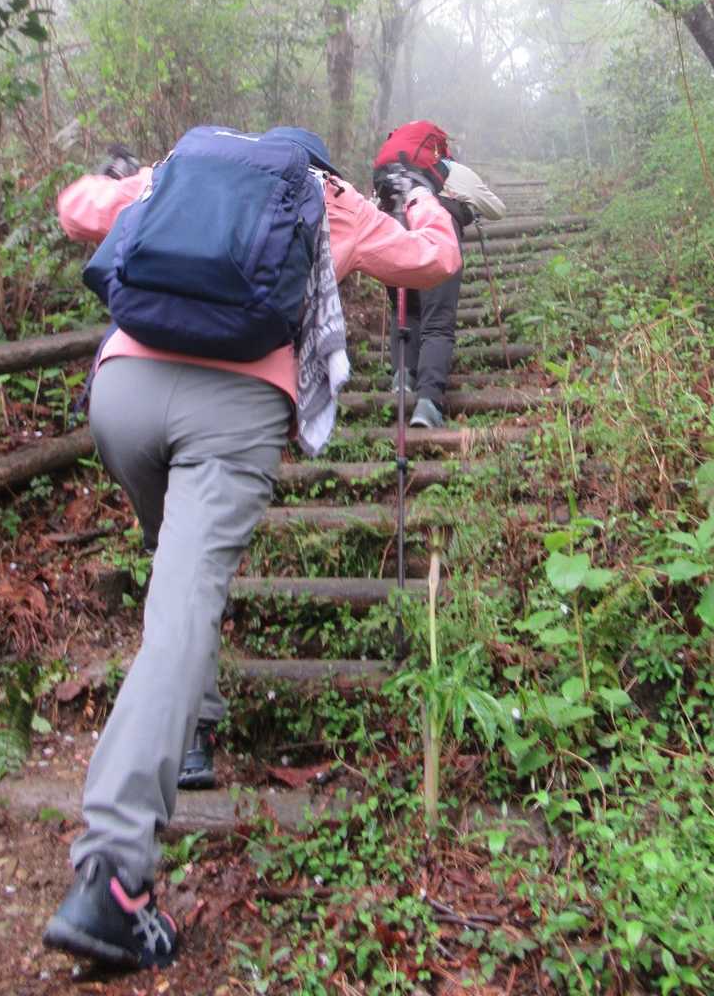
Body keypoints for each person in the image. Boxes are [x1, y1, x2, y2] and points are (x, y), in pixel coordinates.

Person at [43, 127, 461, 971]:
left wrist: (114, 177)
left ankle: (193, 725)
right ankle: (114, 874)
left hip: (121, 395)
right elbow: (433, 262)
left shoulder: (180, 173)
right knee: (183, 606)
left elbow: (78, 212)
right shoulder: (329, 198)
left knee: (175, 576)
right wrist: (425, 202)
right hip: (232, 408)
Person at [373, 122, 505, 429]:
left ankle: (403, 377)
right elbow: (497, 209)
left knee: (405, 311)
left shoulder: (392, 173)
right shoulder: (452, 171)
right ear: (440, 149)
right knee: (437, 322)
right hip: (436, 243)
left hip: (393, 235)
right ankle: (428, 403)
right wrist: (467, 209)